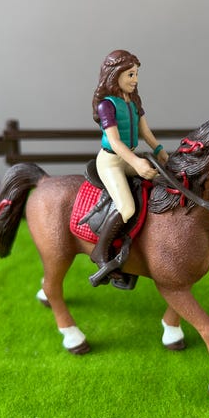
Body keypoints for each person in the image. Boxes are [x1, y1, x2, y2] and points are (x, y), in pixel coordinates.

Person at [90, 49, 169, 282]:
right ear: (115, 75)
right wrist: (136, 162)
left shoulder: (134, 101)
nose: (135, 80)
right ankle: (100, 251)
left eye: (136, 75)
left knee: (161, 180)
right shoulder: (107, 105)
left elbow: (145, 132)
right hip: (112, 162)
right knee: (127, 208)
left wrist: (160, 151)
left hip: (130, 157)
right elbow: (114, 141)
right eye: (130, 75)